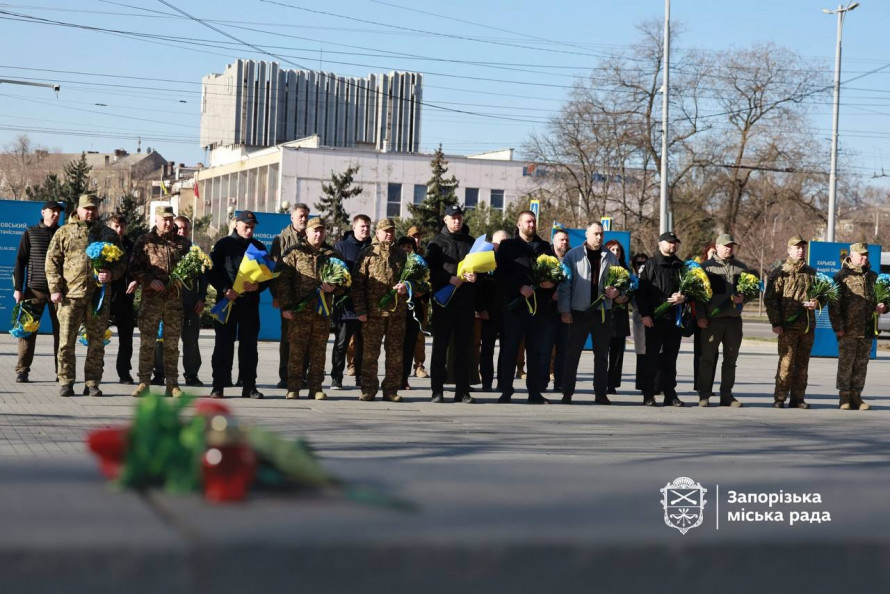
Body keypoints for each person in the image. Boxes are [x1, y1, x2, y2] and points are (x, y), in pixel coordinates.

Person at [45, 193, 124, 397]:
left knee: (97, 342)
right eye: (87, 208)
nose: (90, 212)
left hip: (99, 297)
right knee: (66, 341)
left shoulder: (108, 234)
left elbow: (122, 263)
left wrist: (111, 274)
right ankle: (66, 380)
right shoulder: (64, 232)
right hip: (70, 296)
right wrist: (55, 289)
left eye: (94, 208)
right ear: (78, 210)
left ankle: (92, 382)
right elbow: (52, 262)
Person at [494, 211, 557, 404]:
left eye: (534, 221)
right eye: (528, 221)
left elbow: (555, 271)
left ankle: (535, 392)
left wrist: (551, 283)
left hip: (539, 308)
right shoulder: (508, 246)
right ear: (519, 224)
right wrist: (519, 288)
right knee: (510, 349)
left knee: (536, 351)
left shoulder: (544, 247)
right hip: (515, 307)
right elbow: (500, 274)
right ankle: (506, 390)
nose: (532, 224)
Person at [129, 206, 190, 398]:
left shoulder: (182, 244)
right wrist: (149, 280)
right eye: (164, 219)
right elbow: (133, 267)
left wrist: (184, 278)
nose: (167, 223)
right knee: (147, 343)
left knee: (172, 344)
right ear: (156, 219)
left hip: (173, 301)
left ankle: (172, 384)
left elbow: (192, 270)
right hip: (151, 300)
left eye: (170, 219)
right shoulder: (145, 241)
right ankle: (143, 382)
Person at [207, 210, 268, 399]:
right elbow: (211, 271)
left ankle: (249, 386)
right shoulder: (223, 245)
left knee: (249, 347)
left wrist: (257, 286)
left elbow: (267, 276)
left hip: (249, 305)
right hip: (227, 302)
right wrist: (225, 288)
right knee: (223, 346)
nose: (249, 230)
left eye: (252, 227)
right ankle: (218, 386)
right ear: (236, 225)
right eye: (246, 227)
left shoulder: (258, 247)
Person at [558, 221, 620, 404]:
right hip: (578, 311)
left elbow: (619, 281)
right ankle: (567, 392)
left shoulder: (609, 257)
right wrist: (565, 310)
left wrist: (616, 292)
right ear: (587, 235)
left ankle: (600, 393)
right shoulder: (573, 255)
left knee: (601, 356)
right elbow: (564, 286)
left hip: (602, 311)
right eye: (596, 234)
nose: (599, 237)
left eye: (601, 234)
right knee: (572, 354)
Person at [278, 218, 338, 400]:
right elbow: (283, 282)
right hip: (299, 312)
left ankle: (316, 388)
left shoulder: (331, 255)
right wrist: (286, 306)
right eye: (315, 231)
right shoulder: (294, 253)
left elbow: (345, 281)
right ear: (307, 232)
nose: (318, 234)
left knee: (318, 352)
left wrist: (335, 287)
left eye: (322, 231)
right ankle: (293, 387)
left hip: (322, 313)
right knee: (296, 351)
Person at [427, 205, 479, 403]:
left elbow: (481, 268)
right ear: (445, 220)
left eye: (459, 217)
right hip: (443, 302)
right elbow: (428, 272)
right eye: (453, 218)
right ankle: (437, 390)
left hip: (465, 302)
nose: (457, 221)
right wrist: (448, 278)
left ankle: (462, 390)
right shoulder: (436, 243)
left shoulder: (471, 242)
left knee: (464, 347)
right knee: (440, 346)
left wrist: (476, 277)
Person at [353, 218, 408, 402]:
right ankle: (368, 389)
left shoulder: (402, 255)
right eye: (385, 230)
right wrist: (360, 310)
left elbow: (414, 280)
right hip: (373, 314)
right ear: (377, 233)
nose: (388, 234)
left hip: (396, 314)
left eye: (391, 231)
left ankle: (391, 390)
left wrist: (406, 287)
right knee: (370, 354)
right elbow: (357, 285)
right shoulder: (367, 254)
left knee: (395, 355)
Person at [151, 216, 208, 387]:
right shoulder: (166, 248)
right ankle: (159, 374)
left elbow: (203, 277)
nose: (182, 232)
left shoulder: (195, 250)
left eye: (186, 229)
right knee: (162, 340)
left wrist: (202, 298)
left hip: (190, 304)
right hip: (168, 304)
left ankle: (191, 375)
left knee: (190, 341)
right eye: (179, 228)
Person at [695, 234, 750, 408]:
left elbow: (751, 289)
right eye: (726, 246)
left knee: (731, 359)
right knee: (708, 359)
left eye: (731, 246)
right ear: (717, 247)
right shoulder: (706, 268)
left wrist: (745, 298)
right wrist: (701, 317)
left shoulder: (741, 268)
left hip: (733, 321)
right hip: (712, 321)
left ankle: (726, 395)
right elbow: (698, 295)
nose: (729, 248)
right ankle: (704, 394)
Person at [829, 242, 886, 411]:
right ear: (851, 256)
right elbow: (833, 305)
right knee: (846, 363)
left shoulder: (873, 277)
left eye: (866, 255)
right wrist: (837, 326)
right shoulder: (841, 277)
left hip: (867, 328)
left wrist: (884, 305)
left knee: (861, 364)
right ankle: (844, 397)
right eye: (861, 254)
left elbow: (884, 297)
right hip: (848, 329)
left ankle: (857, 396)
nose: (864, 257)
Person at [764, 236, 818, 409]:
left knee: (802, 364)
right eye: (797, 247)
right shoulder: (780, 272)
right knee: (786, 363)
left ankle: (798, 398)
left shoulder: (811, 272)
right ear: (789, 250)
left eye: (803, 247)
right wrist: (776, 323)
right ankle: (780, 397)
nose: (801, 250)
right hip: (788, 326)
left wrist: (817, 303)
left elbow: (821, 296)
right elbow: (771, 300)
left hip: (807, 326)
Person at [635, 231, 687, 407]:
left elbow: (688, 290)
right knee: (651, 358)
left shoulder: (680, 266)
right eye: (670, 242)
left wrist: (683, 298)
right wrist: (645, 315)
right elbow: (641, 293)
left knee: (671, 358)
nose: (673, 245)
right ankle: (648, 394)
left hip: (674, 319)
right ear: (660, 244)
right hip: (655, 319)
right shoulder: (650, 265)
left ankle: (670, 393)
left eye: (675, 242)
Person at [13, 200, 63, 383]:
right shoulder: (31, 233)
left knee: (61, 333)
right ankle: (22, 370)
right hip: (35, 290)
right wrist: (18, 288)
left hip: (59, 292)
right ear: (43, 212)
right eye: (52, 211)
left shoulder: (63, 233)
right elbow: (20, 261)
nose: (56, 214)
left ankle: (62, 372)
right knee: (28, 331)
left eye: (58, 212)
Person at [270, 202, 309, 389]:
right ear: (292, 217)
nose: (304, 219)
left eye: (306, 216)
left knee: (307, 338)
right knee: (288, 338)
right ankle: (285, 375)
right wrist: (276, 295)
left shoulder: (312, 237)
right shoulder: (281, 239)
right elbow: (273, 269)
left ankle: (303, 374)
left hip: (309, 298)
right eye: (301, 215)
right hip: (288, 297)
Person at [331, 214, 372, 389]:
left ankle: (360, 378)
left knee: (362, 345)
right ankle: (336, 377)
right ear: (354, 227)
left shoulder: (373, 248)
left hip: (366, 306)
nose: (365, 229)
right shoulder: (341, 247)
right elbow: (333, 271)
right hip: (345, 305)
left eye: (368, 227)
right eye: (362, 226)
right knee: (341, 344)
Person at [106, 215, 138, 384]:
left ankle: (124, 372)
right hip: (104, 297)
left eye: (122, 226)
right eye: (116, 226)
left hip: (125, 297)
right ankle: (95, 373)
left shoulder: (131, 246)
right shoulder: (101, 244)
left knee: (126, 339)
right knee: (97, 337)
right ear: (110, 227)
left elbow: (139, 267)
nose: (119, 230)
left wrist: (136, 280)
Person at [478, 229, 509, 392]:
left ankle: (503, 382)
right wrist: (481, 308)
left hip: (507, 311)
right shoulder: (486, 260)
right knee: (487, 348)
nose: (503, 245)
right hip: (489, 311)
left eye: (506, 242)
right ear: (493, 243)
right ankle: (487, 381)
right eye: (500, 242)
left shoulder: (511, 261)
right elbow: (479, 287)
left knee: (506, 348)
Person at [604, 239, 631, 395]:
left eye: (618, 250)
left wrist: (624, 296)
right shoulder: (603, 268)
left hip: (620, 315)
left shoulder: (625, 271)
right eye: (612, 249)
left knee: (617, 352)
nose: (615, 252)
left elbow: (631, 289)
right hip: (605, 313)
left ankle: (612, 383)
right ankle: (601, 381)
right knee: (602, 352)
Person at [692, 242, 717, 394]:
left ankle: (707, 385)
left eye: (716, 253)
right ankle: (700, 384)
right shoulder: (699, 269)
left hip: (716, 317)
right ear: (705, 254)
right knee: (700, 352)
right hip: (699, 316)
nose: (714, 256)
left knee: (713, 353)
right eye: (711, 253)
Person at [549, 228, 571, 392]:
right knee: (545, 347)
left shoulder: (572, 259)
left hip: (566, 310)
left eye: (566, 240)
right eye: (561, 240)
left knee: (563, 348)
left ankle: (560, 382)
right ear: (554, 241)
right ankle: (542, 380)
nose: (564, 242)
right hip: (547, 309)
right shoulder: (546, 258)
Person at [407, 225, 430, 379]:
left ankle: (419, 365)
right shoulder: (403, 253)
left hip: (421, 300)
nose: (417, 239)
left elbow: (429, 277)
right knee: (404, 335)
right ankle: (403, 366)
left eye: (419, 236)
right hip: (405, 300)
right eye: (414, 236)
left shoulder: (425, 255)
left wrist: (425, 289)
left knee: (420, 334)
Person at [630, 253, 649, 393]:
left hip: (653, 316)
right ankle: (642, 383)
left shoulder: (651, 277)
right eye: (638, 263)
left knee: (656, 351)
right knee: (641, 351)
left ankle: (656, 383)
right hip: (638, 317)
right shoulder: (632, 279)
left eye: (644, 263)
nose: (641, 266)